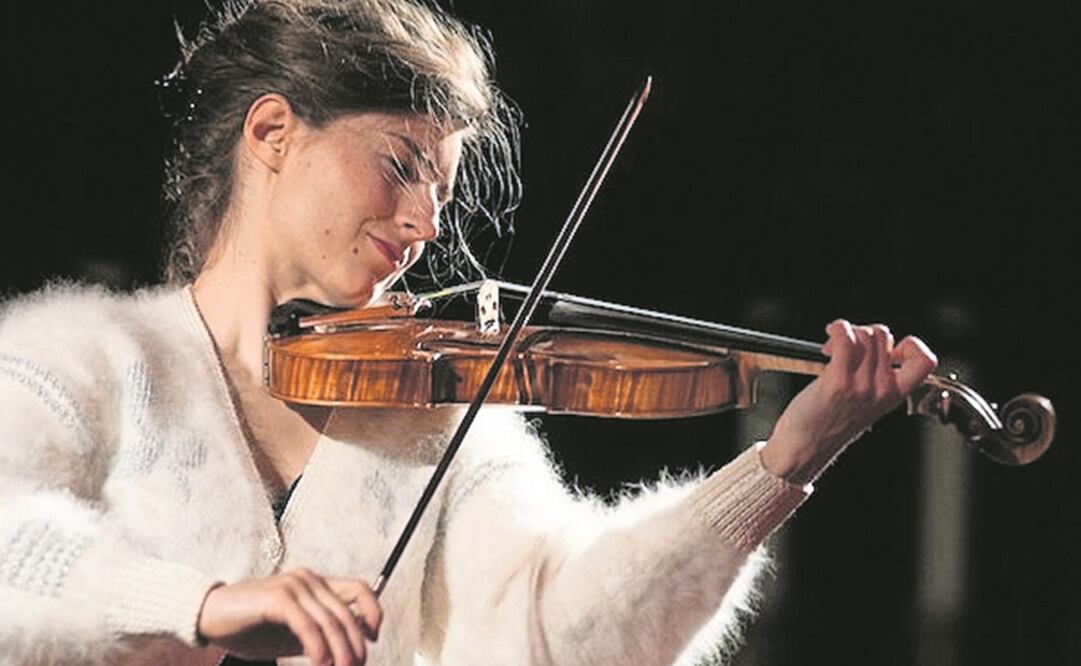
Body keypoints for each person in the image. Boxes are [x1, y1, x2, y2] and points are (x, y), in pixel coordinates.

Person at [0, 1, 938, 664]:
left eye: (442, 192)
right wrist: (199, 606)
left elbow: (553, 633)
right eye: (401, 166)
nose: (426, 225)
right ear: (275, 132)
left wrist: (781, 468)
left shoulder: (438, 408)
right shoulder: (88, 356)